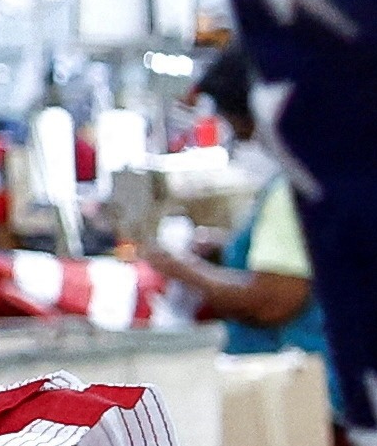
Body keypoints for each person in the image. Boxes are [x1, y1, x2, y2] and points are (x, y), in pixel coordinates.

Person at [133, 62, 322, 357]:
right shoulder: (305, 178)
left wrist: (185, 270)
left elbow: (272, 302)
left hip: (298, 373)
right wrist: (229, 249)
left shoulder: (291, 191)